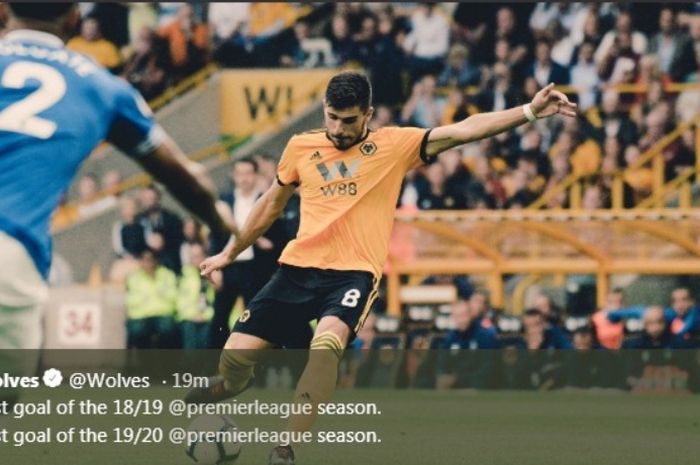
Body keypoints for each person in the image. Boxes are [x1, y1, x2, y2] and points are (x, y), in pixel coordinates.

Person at [190, 71, 576, 464]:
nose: (338, 129)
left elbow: (464, 131)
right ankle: (237, 382)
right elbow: (271, 204)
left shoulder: (394, 144)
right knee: (234, 361)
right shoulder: (300, 147)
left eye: (349, 120)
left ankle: (285, 448)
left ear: (368, 114)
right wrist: (230, 252)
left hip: (352, 275)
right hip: (295, 269)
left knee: (324, 349)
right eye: (332, 117)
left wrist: (528, 111)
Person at [0, 3, 235, 351]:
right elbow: (182, 177)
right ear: (76, 19)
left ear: (3, 11)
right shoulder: (102, 87)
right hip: (11, 254)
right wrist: (220, 223)